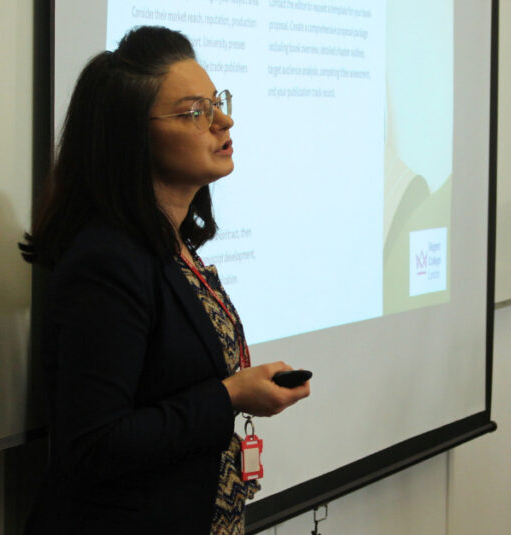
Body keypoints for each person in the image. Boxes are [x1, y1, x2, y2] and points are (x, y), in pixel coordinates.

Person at [21, 26, 310, 534]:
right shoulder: (106, 263)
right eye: (196, 111)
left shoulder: (176, 249)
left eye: (216, 102)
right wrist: (230, 397)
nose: (224, 120)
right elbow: (94, 444)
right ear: (134, 135)